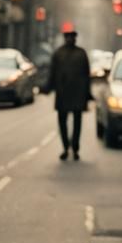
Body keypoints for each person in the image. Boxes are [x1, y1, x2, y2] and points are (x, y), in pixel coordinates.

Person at [43, 25, 91, 160]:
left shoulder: (81, 53)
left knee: (77, 122)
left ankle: (75, 147)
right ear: (65, 38)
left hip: (77, 93)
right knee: (63, 122)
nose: (70, 39)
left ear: (74, 38)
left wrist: (87, 93)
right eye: (68, 37)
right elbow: (52, 73)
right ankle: (66, 147)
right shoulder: (58, 53)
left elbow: (86, 75)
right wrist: (48, 87)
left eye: (72, 37)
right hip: (63, 92)